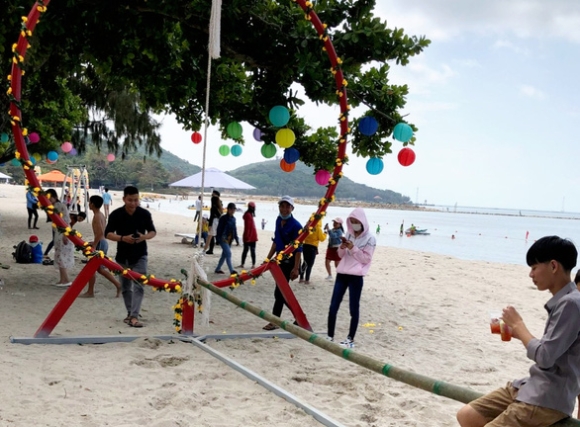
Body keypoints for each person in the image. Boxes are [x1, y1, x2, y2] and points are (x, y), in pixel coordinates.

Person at [456, 235, 580, 427]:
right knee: (468, 415)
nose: (531, 274)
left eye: (534, 267)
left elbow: (545, 357)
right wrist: (515, 331)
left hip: (546, 400)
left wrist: (520, 326)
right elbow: (553, 351)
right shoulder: (564, 302)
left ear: (553, 266)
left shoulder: (571, 304)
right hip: (529, 386)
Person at [105, 186, 156, 328]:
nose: (133, 203)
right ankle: (130, 313)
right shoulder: (116, 214)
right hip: (122, 256)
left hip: (140, 254)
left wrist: (143, 237)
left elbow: (152, 231)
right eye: (130, 200)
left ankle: (134, 316)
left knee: (139, 285)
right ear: (124, 199)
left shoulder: (144, 214)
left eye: (136, 200)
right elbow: (108, 233)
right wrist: (122, 238)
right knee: (126, 287)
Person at [326, 208, 376, 348]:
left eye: (357, 222)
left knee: (353, 308)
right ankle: (330, 335)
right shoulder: (348, 234)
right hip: (342, 273)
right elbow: (340, 255)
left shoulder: (370, 238)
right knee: (333, 305)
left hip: (356, 276)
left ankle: (350, 339)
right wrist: (342, 247)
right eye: (352, 222)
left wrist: (353, 248)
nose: (354, 224)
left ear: (363, 222)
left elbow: (366, 259)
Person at [262, 196, 302, 331]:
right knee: (281, 293)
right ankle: (298, 316)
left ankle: (275, 321)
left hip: (290, 262)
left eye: (287, 206)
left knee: (279, 293)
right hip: (278, 261)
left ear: (292, 208)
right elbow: (276, 242)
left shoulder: (296, 226)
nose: (284, 209)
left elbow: (298, 249)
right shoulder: (278, 220)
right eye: (282, 206)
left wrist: (296, 268)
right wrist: (267, 259)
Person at [79, 195, 121, 298]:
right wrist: (93, 242)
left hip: (100, 243)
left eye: (89, 202)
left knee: (91, 268)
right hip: (102, 242)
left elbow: (100, 232)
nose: (88, 204)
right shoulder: (101, 214)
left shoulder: (97, 216)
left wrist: (94, 244)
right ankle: (118, 285)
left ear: (92, 204)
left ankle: (90, 292)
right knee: (99, 269)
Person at [46, 189, 75, 287]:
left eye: (50, 198)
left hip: (62, 233)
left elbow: (66, 222)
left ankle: (65, 280)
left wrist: (65, 235)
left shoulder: (60, 206)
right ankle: (62, 279)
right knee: (59, 256)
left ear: (54, 197)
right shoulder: (55, 206)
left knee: (61, 257)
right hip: (59, 233)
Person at [299, 220, 326, 284]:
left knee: (305, 262)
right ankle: (307, 279)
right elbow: (322, 239)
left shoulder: (307, 227)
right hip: (312, 247)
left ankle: (301, 278)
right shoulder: (318, 228)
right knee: (310, 264)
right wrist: (325, 233)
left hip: (305, 246)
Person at [214, 203, 238, 275]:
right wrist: (217, 239)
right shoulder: (223, 218)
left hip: (230, 239)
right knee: (228, 253)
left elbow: (234, 229)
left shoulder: (233, 219)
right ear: (228, 209)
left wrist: (236, 239)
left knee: (224, 255)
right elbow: (219, 229)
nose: (232, 210)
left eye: (234, 209)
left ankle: (218, 269)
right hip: (222, 238)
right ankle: (232, 271)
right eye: (231, 209)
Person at [238, 201, 258, 269]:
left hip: (250, 236)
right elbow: (248, 227)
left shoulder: (248, 214)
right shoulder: (249, 215)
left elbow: (248, 227)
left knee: (246, 250)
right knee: (251, 250)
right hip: (251, 236)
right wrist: (248, 237)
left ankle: (243, 264)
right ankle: (252, 264)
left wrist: (247, 236)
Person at [204, 190, 223, 255]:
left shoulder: (213, 207)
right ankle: (208, 249)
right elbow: (220, 214)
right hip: (218, 221)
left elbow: (212, 216)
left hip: (214, 222)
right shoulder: (219, 206)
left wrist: (209, 224)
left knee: (209, 236)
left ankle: (205, 250)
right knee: (216, 236)